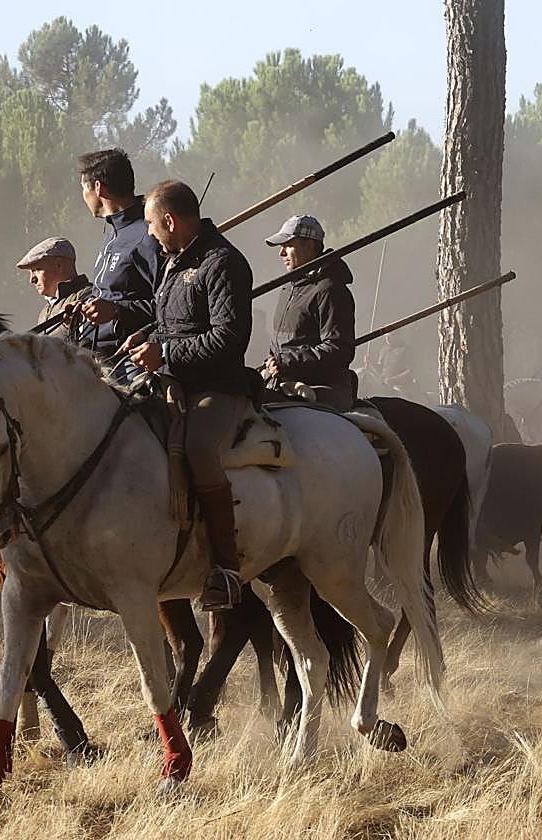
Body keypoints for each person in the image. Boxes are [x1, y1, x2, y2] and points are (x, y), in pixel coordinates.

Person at [120, 180, 255, 611]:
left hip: (216, 388)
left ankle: (227, 569)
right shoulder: (174, 262)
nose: (150, 233)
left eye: (151, 224)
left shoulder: (223, 263)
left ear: (170, 220)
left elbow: (228, 339)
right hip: (172, 382)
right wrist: (147, 337)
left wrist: (164, 352)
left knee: (199, 449)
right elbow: (174, 324)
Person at [76, 148, 161, 374]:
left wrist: (116, 311)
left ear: (98, 187)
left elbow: (169, 305)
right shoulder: (112, 233)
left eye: (83, 188)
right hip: (92, 354)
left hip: (131, 359)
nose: (83, 197)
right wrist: (82, 308)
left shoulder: (149, 235)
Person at [260, 214, 356, 411]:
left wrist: (287, 362)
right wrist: (271, 364)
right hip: (285, 381)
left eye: (288, 245)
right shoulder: (288, 288)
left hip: (323, 387)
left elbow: (339, 348)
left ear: (310, 246)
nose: (281, 253)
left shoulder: (330, 289)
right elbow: (279, 344)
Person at [16, 236, 92, 341]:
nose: (32, 279)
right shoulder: (43, 313)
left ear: (59, 264)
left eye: (37, 269)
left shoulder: (89, 297)